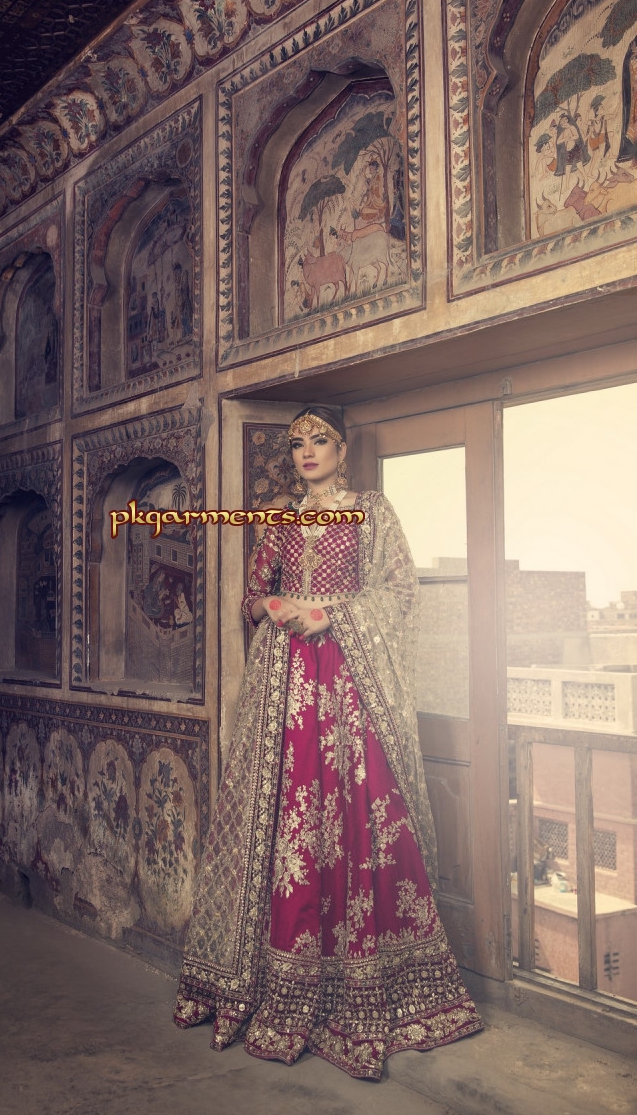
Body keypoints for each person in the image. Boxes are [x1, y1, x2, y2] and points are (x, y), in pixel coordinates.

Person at [174, 406, 482, 1079]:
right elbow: (251, 598)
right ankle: (275, 981)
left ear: (343, 450)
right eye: (297, 444)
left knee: (359, 810)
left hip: (349, 680)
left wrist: (328, 614)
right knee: (286, 814)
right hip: (285, 685)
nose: (307, 452)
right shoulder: (281, 520)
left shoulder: (370, 513)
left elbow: (398, 592)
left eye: (319, 441)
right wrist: (273, 606)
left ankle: (371, 981)